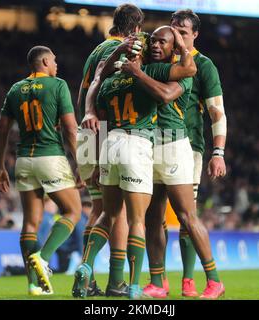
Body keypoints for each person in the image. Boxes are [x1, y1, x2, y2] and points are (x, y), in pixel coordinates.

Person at [72, 28, 196, 299]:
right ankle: (134, 286)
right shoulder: (150, 73)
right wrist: (181, 43)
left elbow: (98, 87)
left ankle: (86, 264)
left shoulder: (108, 83)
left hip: (108, 145)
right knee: (137, 220)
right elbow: (188, 70)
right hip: (136, 146)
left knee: (108, 213)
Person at [142, 19, 226, 299]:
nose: (155, 45)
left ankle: (211, 280)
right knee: (153, 217)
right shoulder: (157, 65)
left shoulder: (188, 69)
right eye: (153, 41)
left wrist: (218, 151)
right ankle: (157, 282)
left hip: (179, 146)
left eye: (162, 41)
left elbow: (214, 110)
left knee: (187, 216)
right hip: (150, 146)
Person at [0, 45, 84, 296]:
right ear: (44, 61)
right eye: (54, 61)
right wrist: (79, 164)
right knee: (73, 211)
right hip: (50, 157)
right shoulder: (58, 86)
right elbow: (70, 129)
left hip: (23, 160)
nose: (57, 65)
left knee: (30, 224)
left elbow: (1, 131)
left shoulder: (14, 89)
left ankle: (34, 284)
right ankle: (43, 258)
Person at [76, 3, 144, 297]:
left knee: (98, 209)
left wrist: (85, 131)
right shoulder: (125, 50)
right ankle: (117, 281)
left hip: (88, 131)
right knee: (118, 213)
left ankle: (86, 276)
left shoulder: (95, 50)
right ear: (136, 28)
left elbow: (85, 92)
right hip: (109, 131)